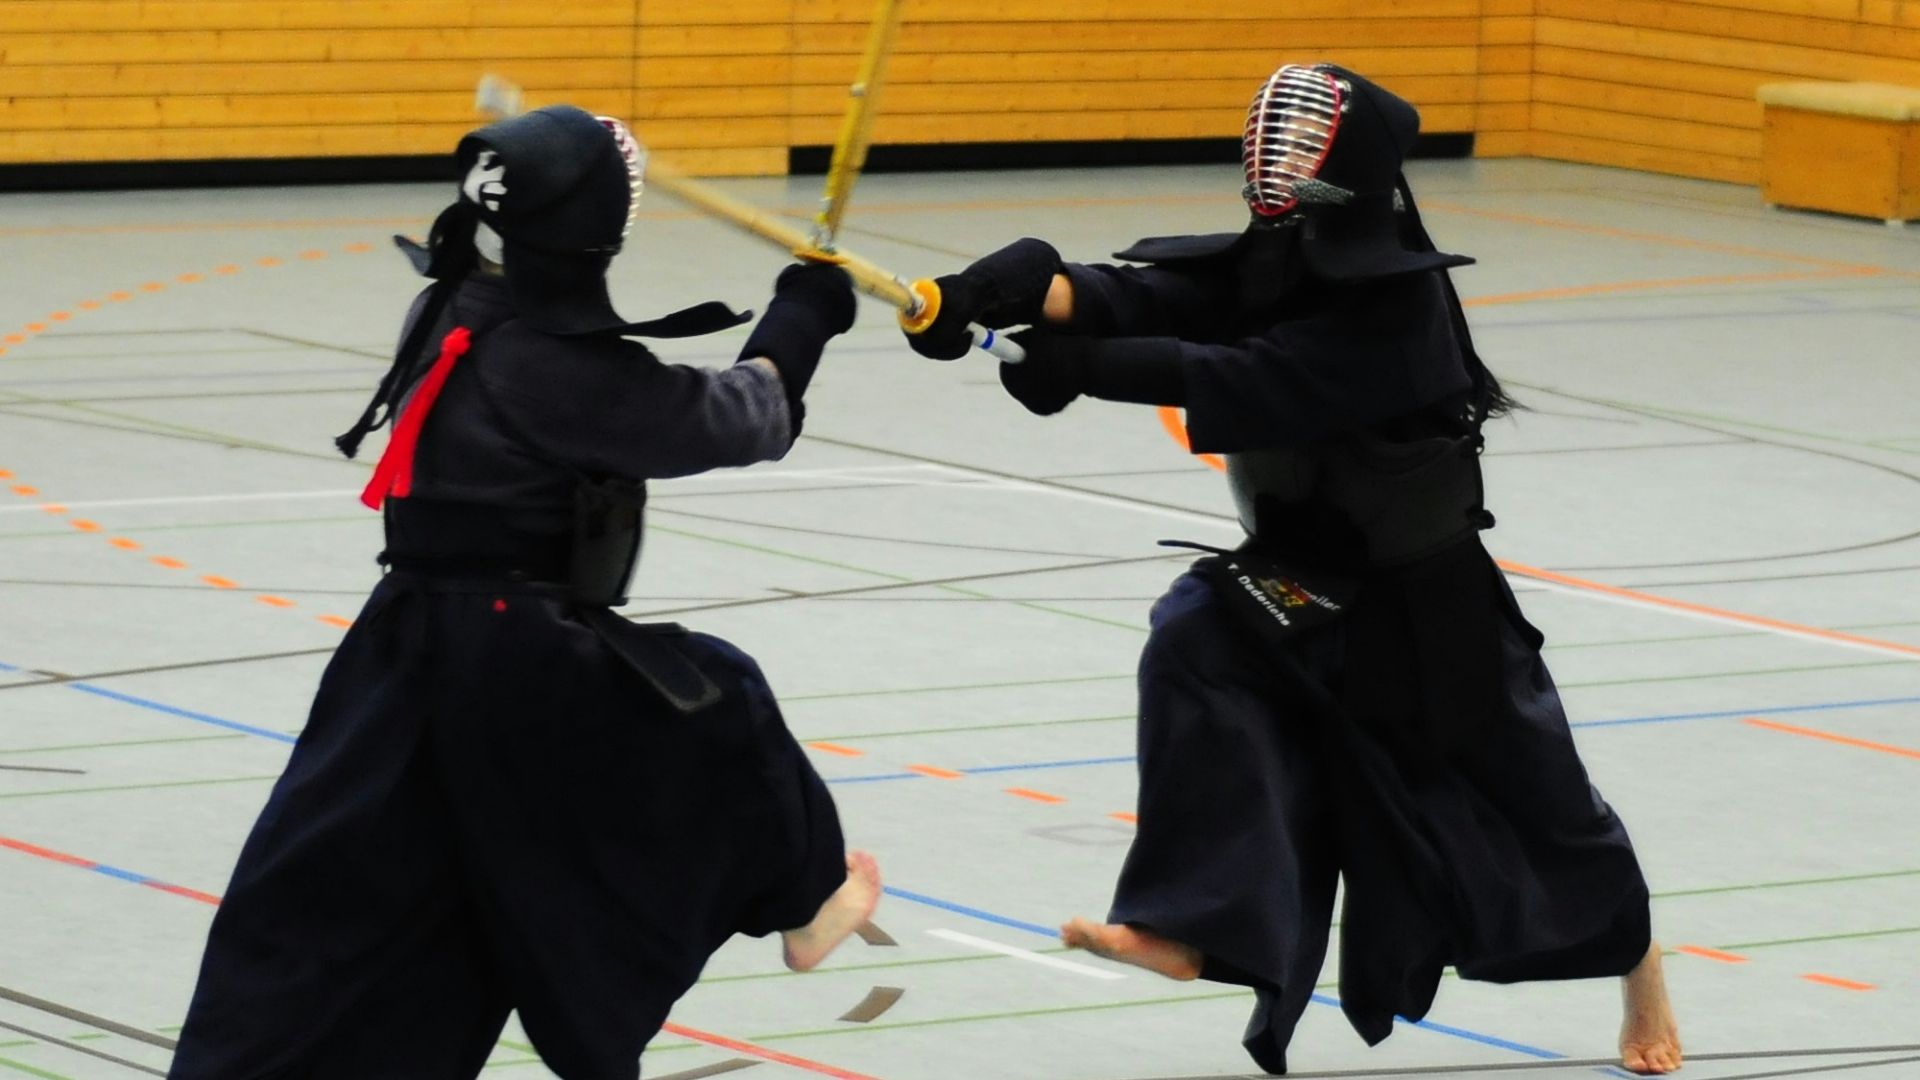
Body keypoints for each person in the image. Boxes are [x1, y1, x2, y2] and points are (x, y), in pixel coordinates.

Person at [903, 65, 1682, 1077]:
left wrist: (1074, 363)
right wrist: (1012, 295)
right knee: (1192, 641)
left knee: (1543, 814)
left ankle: (1645, 972)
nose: (1276, 160)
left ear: (1346, 168)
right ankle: (1187, 925)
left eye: (1300, 145)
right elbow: (1171, 294)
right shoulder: (1287, 255)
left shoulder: (1399, 310)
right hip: (1301, 576)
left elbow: (1242, 375)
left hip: (1423, 604)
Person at [167, 105, 879, 1080]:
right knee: (720, 703)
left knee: (354, 887)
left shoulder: (454, 307)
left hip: (401, 650)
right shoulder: (559, 369)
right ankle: (807, 900)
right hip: (522, 660)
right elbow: (742, 417)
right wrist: (803, 316)